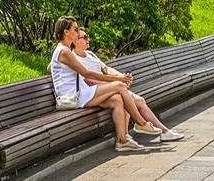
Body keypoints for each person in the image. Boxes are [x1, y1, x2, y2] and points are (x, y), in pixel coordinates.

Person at [49, 16, 162, 152]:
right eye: (75, 28)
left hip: (81, 92)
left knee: (117, 99)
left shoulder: (64, 50)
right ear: (66, 32)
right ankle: (141, 123)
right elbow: (87, 74)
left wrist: (116, 79)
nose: (78, 31)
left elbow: (54, 68)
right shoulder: (64, 51)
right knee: (119, 87)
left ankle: (122, 140)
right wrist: (117, 79)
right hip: (73, 96)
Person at [72, 28, 185, 142]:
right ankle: (151, 129)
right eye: (85, 37)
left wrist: (122, 77)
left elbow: (106, 69)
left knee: (139, 100)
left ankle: (137, 134)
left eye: (88, 36)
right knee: (125, 96)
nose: (88, 39)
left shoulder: (90, 54)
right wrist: (115, 84)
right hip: (94, 92)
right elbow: (88, 80)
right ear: (75, 41)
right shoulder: (74, 59)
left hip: (108, 86)